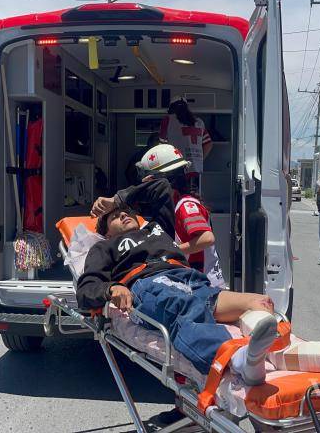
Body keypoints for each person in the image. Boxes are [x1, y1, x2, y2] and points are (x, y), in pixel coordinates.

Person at [81, 177, 279, 385]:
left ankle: (269, 351)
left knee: (260, 302)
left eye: (126, 212)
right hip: (149, 282)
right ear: (106, 231)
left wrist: (117, 199)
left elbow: (161, 187)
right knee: (185, 309)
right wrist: (112, 288)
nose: (123, 214)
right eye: (114, 216)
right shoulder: (103, 248)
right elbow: (87, 287)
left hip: (191, 280)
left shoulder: (157, 229)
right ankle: (239, 360)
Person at [136, 143, 225, 288]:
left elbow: (206, 238)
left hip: (203, 285)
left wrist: (172, 250)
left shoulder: (185, 205)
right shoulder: (175, 205)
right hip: (194, 282)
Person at [160, 96, 212, 190]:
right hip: (196, 169)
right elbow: (208, 144)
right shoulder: (199, 122)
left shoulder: (168, 120)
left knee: (175, 195)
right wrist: (199, 159)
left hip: (176, 168)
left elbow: (161, 143)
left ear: (171, 108)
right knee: (194, 195)